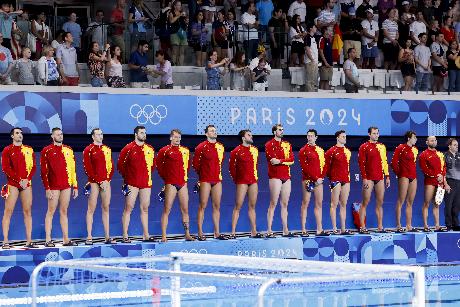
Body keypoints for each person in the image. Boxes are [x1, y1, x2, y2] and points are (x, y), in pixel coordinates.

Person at [41, 128, 78, 247]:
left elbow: (73, 169)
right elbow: (44, 171)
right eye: (57, 134)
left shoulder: (69, 149)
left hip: (66, 185)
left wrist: (75, 186)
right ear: (52, 136)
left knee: (64, 211)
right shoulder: (47, 150)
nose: (60, 136)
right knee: (51, 211)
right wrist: (47, 188)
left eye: (61, 134)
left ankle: (66, 239)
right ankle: (48, 240)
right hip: (53, 186)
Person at [118, 126, 155, 243]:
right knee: (128, 208)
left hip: (146, 183)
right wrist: (128, 178)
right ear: (136, 134)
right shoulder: (128, 148)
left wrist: (145, 176)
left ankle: (146, 235)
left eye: (145, 133)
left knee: (145, 209)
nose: (144, 135)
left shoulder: (150, 149)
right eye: (142, 133)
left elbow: (152, 166)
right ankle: (125, 235)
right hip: (132, 184)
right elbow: (120, 166)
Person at [1, 128, 37, 249]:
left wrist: (26, 179)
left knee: (27, 212)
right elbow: (6, 168)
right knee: (8, 211)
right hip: (13, 184)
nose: (20, 135)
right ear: (12, 136)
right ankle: (5, 241)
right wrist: (18, 180)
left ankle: (29, 241)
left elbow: (33, 167)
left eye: (21, 133)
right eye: (17, 133)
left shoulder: (29, 149)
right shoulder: (7, 150)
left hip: (26, 184)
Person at [156, 129, 194, 242]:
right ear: (171, 138)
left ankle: (187, 234)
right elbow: (159, 167)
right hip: (170, 184)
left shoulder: (185, 151)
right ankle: (164, 236)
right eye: (175, 137)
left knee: (185, 210)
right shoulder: (164, 150)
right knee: (167, 209)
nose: (177, 139)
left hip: (182, 183)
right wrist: (166, 180)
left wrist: (184, 178)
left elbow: (187, 167)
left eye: (179, 137)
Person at [193, 125, 226, 241]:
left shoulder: (221, 147)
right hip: (205, 180)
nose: (214, 132)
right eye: (212, 131)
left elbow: (220, 162)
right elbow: (196, 165)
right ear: (206, 134)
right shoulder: (200, 147)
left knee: (217, 207)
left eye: (215, 131)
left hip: (217, 180)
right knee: (202, 206)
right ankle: (200, 233)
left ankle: (217, 233)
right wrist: (202, 177)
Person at [82, 128, 115, 245]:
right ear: (93, 137)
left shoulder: (107, 149)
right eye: (98, 134)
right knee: (91, 209)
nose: (100, 136)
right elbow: (88, 169)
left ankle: (107, 237)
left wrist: (107, 180)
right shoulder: (88, 150)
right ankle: (89, 237)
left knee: (106, 208)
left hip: (106, 182)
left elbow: (111, 167)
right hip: (94, 182)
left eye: (101, 134)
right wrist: (99, 181)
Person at [229, 129, 262, 239]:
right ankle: (233, 232)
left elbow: (255, 166)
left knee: (252, 207)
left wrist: (254, 178)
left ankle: (254, 231)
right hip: (241, 182)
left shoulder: (255, 150)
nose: (251, 137)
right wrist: (237, 180)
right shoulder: (236, 151)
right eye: (249, 135)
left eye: (251, 135)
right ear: (243, 138)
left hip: (253, 182)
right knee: (238, 206)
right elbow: (231, 168)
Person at [358, 127, 391, 234]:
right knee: (365, 202)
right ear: (369, 134)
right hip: (369, 178)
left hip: (380, 178)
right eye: (374, 133)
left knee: (380, 203)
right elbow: (361, 164)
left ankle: (380, 227)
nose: (376, 135)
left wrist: (387, 176)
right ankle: (362, 227)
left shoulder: (382, 147)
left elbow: (385, 162)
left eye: (377, 133)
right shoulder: (364, 147)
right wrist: (365, 178)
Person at [265, 124, 295, 238]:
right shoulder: (269, 144)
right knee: (273, 203)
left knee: (285, 204)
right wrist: (282, 161)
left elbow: (292, 160)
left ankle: (285, 230)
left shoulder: (287, 144)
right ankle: (269, 230)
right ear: (274, 132)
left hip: (286, 176)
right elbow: (273, 161)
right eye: (279, 130)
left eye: (282, 129)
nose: (282, 131)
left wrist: (281, 160)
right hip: (275, 177)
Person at [298, 129, 327, 236]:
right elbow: (304, 167)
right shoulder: (303, 150)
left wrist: (321, 178)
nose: (309, 138)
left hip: (319, 181)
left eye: (311, 136)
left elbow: (325, 165)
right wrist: (315, 178)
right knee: (305, 203)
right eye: (308, 136)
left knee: (319, 204)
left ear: (316, 137)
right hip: (308, 180)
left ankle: (319, 229)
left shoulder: (320, 150)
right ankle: (303, 230)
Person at [324, 130, 353, 235]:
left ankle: (343, 229)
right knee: (334, 204)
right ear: (338, 138)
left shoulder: (348, 151)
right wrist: (330, 178)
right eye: (343, 136)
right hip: (335, 180)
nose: (345, 138)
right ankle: (334, 228)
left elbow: (347, 166)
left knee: (343, 204)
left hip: (346, 179)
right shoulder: (331, 151)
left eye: (345, 136)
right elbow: (326, 167)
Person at [391, 131, 419, 233]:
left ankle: (409, 226)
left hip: (413, 176)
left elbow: (413, 163)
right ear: (408, 138)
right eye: (414, 137)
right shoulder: (400, 147)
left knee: (410, 202)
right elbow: (393, 162)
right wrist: (399, 174)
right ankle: (398, 225)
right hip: (404, 176)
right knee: (401, 200)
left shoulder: (415, 149)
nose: (416, 139)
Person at [419, 136, 448, 232]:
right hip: (430, 182)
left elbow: (444, 167)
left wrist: (442, 176)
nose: (434, 142)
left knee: (437, 204)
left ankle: (437, 225)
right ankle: (426, 225)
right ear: (427, 142)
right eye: (432, 140)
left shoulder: (440, 154)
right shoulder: (423, 155)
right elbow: (424, 169)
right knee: (426, 203)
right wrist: (436, 175)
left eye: (435, 140)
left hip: (440, 182)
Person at [444, 138, 460, 231]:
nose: (456, 146)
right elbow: (442, 172)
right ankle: (448, 224)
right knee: (449, 205)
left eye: (457, 145)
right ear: (449, 146)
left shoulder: (459, 156)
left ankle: (456, 224)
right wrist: (446, 184)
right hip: (450, 182)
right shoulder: (444, 156)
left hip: (459, 182)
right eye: (454, 145)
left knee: (457, 205)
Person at [168, 1, 187, 66]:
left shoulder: (182, 13)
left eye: (180, 5)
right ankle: (174, 66)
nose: (179, 6)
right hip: (175, 33)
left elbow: (184, 23)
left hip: (182, 33)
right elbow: (171, 21)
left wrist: (186, 20)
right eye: (178, 5)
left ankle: (180, 66)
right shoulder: (171, 13)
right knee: (174, 51)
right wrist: (179, 15)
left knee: (182, 52)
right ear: (174, 6)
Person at [305, 23, 318, 92]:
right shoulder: (307, 37)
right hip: (310, 62)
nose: (316, 28)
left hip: (314, 62)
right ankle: (309, 95)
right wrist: (312, 59)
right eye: (314, 27)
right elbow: (307, 50)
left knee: (313, 80)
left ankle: (312, 94)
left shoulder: (313, 38)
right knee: (309, 80)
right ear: (310, 29)